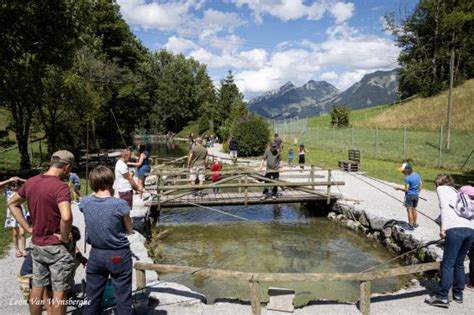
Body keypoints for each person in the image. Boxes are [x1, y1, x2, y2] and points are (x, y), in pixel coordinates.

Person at [8, 150, 77, 315]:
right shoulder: (60, 187)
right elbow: (66, 217)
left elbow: (12, 203)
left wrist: (27, 228)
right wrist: (66, 236)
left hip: (37, 245)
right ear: (66, 167)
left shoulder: (32, 182)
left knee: (37, 287)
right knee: (60, 292)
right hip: (57, 247)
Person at [80, 166, 134, 315]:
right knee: (123, 298)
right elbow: (129, 229)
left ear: (92, 183)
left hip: (96, 255)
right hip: (119, 255)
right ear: (111, 181)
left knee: (92, 298)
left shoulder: (85, 203)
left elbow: (92, 201)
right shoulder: (120, 204)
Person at [425, 174, 474, 308]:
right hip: (470, 230)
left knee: (448, 264)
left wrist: (443, 229)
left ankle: (442, 296)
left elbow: (445, 209)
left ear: (438, 183)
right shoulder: (459, 192)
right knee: (459, 262)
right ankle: (458, 293)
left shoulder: (442, 190)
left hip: (455, 230)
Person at [1, 176, 28, 257]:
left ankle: (23, 249)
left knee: (22, 232)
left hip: (21, 212)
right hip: (12, 213)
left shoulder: (21, 189)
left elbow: (30, 182)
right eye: (12, 182)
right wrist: (9, 180)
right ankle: (17, 250)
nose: (14, 183)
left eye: (16, 182)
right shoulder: (7, 190)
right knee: (15, 233)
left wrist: (20, 179)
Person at [395, 162, 422, 230]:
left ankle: (410, 225)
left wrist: (398, 188)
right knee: (414, 209)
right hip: (416, 195)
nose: (403, 172)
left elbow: (406, 189)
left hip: (409, 196)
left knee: (409, 210)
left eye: (403, 171)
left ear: (407, 170)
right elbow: (420, 184)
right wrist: (417, 192)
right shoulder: (417, 175)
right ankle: (415, 223)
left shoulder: (407, 178)